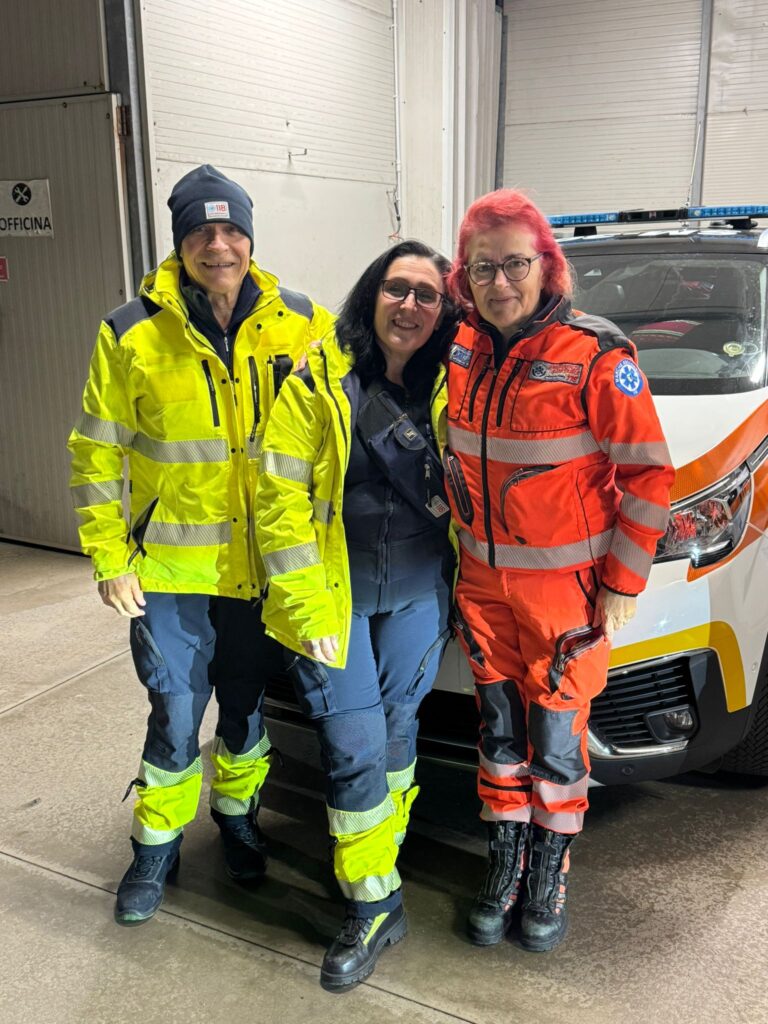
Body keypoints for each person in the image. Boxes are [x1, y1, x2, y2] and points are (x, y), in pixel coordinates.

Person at [68, 164, 335, 926]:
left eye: (231, 230)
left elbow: (341, 423)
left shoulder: (301, 322)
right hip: (170, 572)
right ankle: (156, 846)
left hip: (260, 571)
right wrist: (109, 557)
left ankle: (237, 818)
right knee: (177, 712)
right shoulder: (129, 332)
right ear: (180, 242)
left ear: (250, 237)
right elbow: (95, 452)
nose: (218, 246)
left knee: (245, 708)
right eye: (200, 232)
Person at [444, 189, 674, 952]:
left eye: (515, 263)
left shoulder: (597, 354)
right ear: (465, 275)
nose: (500, 282)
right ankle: (506, 857)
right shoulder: (462, 345)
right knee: (500, 729)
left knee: (557, 735)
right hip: (482, 584)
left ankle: (550, 867)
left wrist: (623, 582)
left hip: (566, 595)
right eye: (483, 267)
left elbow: (649, 475)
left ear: (546, 263)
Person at [255, 240, 459, 991]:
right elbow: (278, 499)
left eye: (427, 295)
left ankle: (378, 867)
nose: (409, 305)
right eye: (396, 288)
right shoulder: (319, 380)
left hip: (418, 593)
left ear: (443, 311)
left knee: (398, 732)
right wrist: (304, 603)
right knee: (354, 743)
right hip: (332, 601)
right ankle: (372, 902)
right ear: (371, 294)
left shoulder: (454, 384)